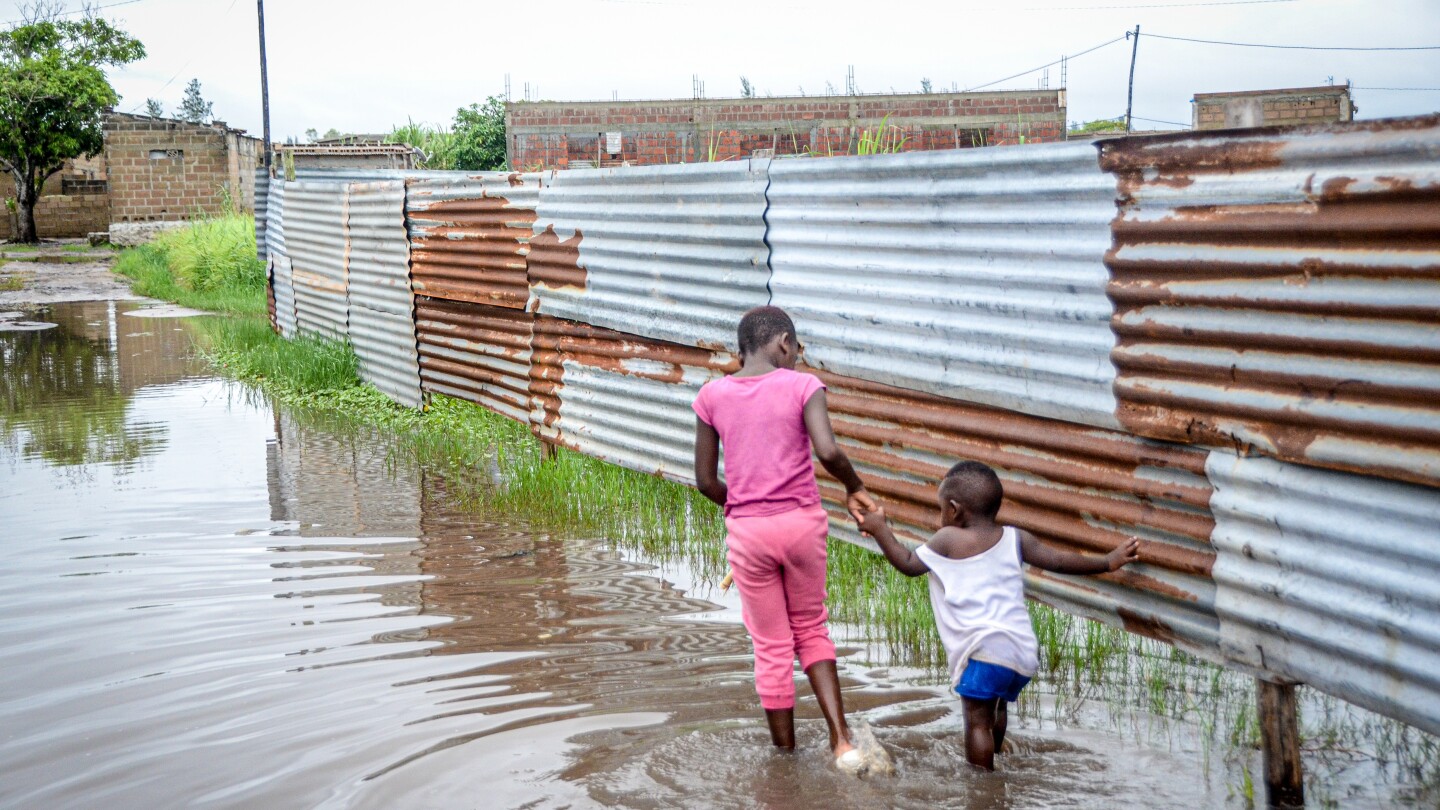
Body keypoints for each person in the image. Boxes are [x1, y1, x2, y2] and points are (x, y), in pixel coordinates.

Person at [855, 460, 1141, 771]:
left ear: (954, 510)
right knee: (996, 709)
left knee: (977, 722)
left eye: (941, 509)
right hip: (1021, 652)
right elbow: (1058, 560)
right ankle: (998, 757)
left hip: (985, 651)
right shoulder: (1016, 538)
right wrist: (1108, 562)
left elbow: (909, 564)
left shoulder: (948, 539)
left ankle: (983, 783)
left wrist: (880, 529)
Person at [692, 305, 876, 771]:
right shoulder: (802, 386)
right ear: (783, 343)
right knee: (811, 629)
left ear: (741, 352)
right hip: (800, 525)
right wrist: (854, 487)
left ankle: (784, 761)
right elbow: (828, 451)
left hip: (749, 533)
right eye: (796, 350)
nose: (796, 358)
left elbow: (706, 482)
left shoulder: (711, 396)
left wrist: (745, 506)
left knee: (771, 646)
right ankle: (842, 742)